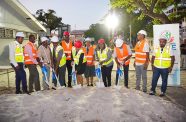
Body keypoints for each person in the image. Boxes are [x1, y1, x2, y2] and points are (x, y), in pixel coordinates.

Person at [149, 32, 175, 96]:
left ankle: (163, 91)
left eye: (163, 41)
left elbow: (173, 58)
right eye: (160, 41)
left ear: (166, 42)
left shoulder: (169, 48)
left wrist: (171, 67)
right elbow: (153, 57)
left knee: (164, 81)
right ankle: (152, 90)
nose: (161, 43)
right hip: (156, 67)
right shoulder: (156, 48)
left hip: (165, 68)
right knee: (154, 79)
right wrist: (152, 65)